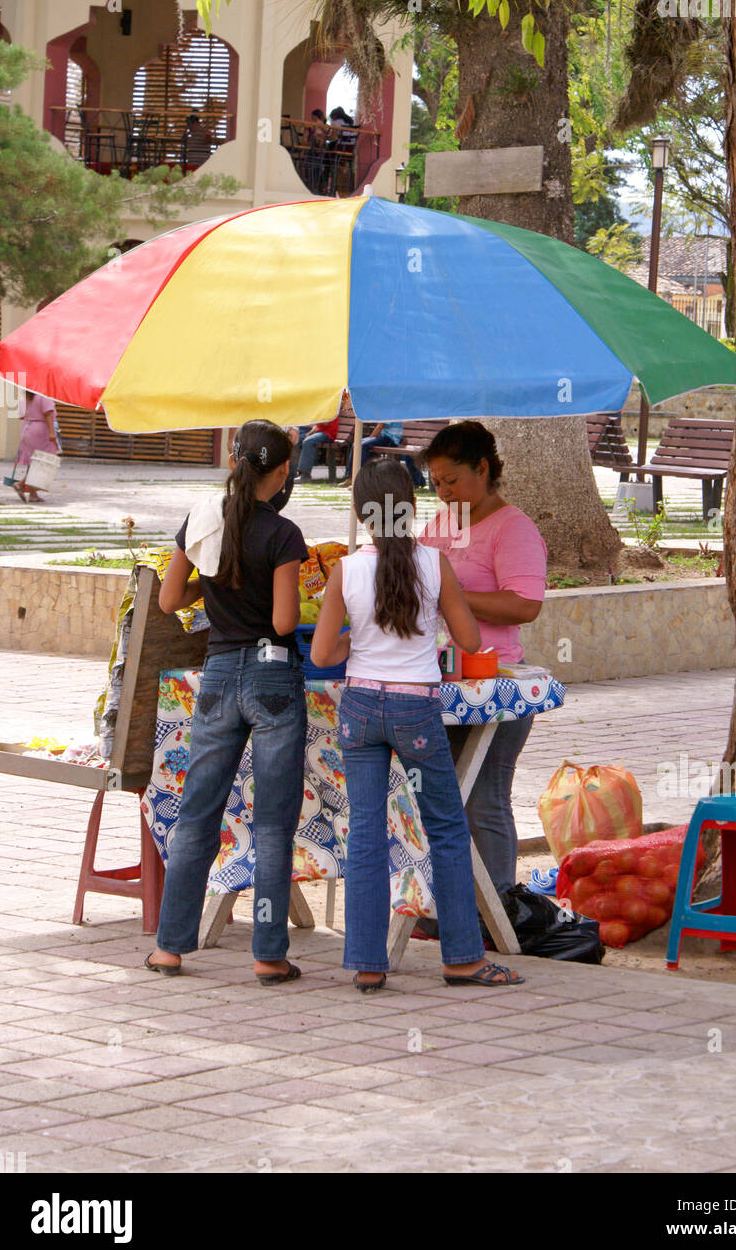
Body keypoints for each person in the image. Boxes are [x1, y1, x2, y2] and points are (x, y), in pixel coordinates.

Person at [311, 456, 524, 991]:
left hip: (360, 708)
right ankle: (462, 959)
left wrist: (355, 639)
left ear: (362, 513)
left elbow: (320, 655)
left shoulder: (346, 571)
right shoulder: (434, 564)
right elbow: (472, 641)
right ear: (411, 507)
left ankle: (365, 963)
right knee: (447, 830)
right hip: (418, 712)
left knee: (364, 834)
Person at [145, 420, 308, 984]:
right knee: (271, 821)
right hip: (272, 676)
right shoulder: (284, 534)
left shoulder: (201, 519)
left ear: (235, 461)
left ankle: (169, 946)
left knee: (198, 813)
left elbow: (169, 599)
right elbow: (285, 620)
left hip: (216, 676)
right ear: (284, 471)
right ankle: (267, 954)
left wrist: (215, 582)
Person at [420, 421, 547, 897]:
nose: (443, 491)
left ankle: (499, 912)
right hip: (443, 682)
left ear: (483, 468)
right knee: (443, 797)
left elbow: (525, 605)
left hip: (495, 687)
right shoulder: (442, 523)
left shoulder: (514, 528)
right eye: (436, 483)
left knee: (484, 799)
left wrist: (454, 597)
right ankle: (446, 908)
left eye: (452, 479)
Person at [13, 390, 59, 502]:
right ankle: (21, 484)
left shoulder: (26, 396)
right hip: (40, 430)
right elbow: (48, 413)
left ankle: (33, 495)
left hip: (27, 429)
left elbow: (20, 416)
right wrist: (52, 433)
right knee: (41, 461)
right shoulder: (43, 395)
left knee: (33, 461)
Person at [341, 420, 404, 485]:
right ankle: (350, 478)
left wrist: (370, 439)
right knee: (356, 444)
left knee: (362, 445)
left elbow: (380, 426)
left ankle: (361, 479)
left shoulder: (386, 410)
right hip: (384, 436)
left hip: (391, 438)